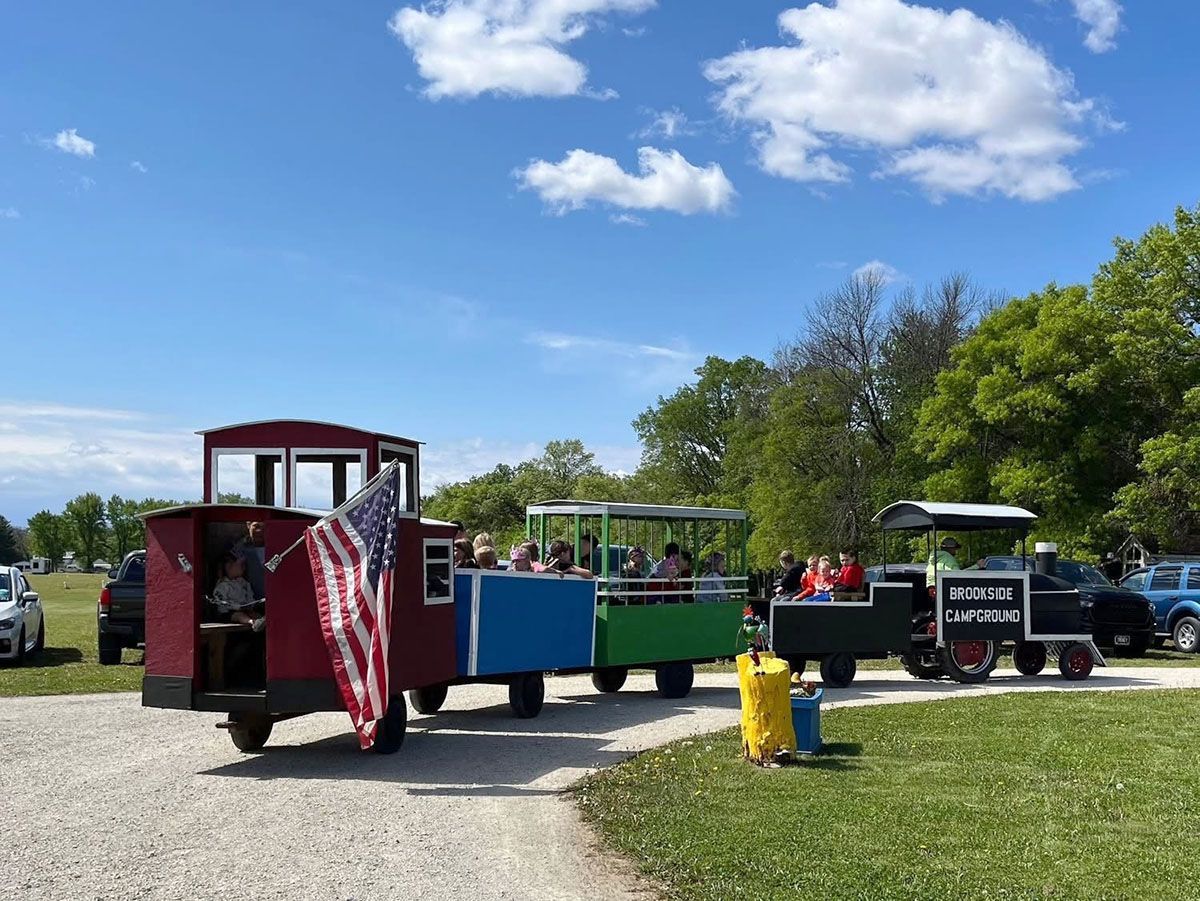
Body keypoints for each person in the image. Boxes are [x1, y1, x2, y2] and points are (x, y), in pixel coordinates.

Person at [212, 552, 265, 632]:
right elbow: (220, 601)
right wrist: (237, 607)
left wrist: (251, 604)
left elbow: (249, 595)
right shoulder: (222, 585)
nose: (243, 568)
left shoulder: (243, 582)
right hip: (228, 613)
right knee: (239, 616)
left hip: (244, 609)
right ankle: (253, 623)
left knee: (255, 614)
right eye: (240, 565)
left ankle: (260, 622)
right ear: (228, 568)